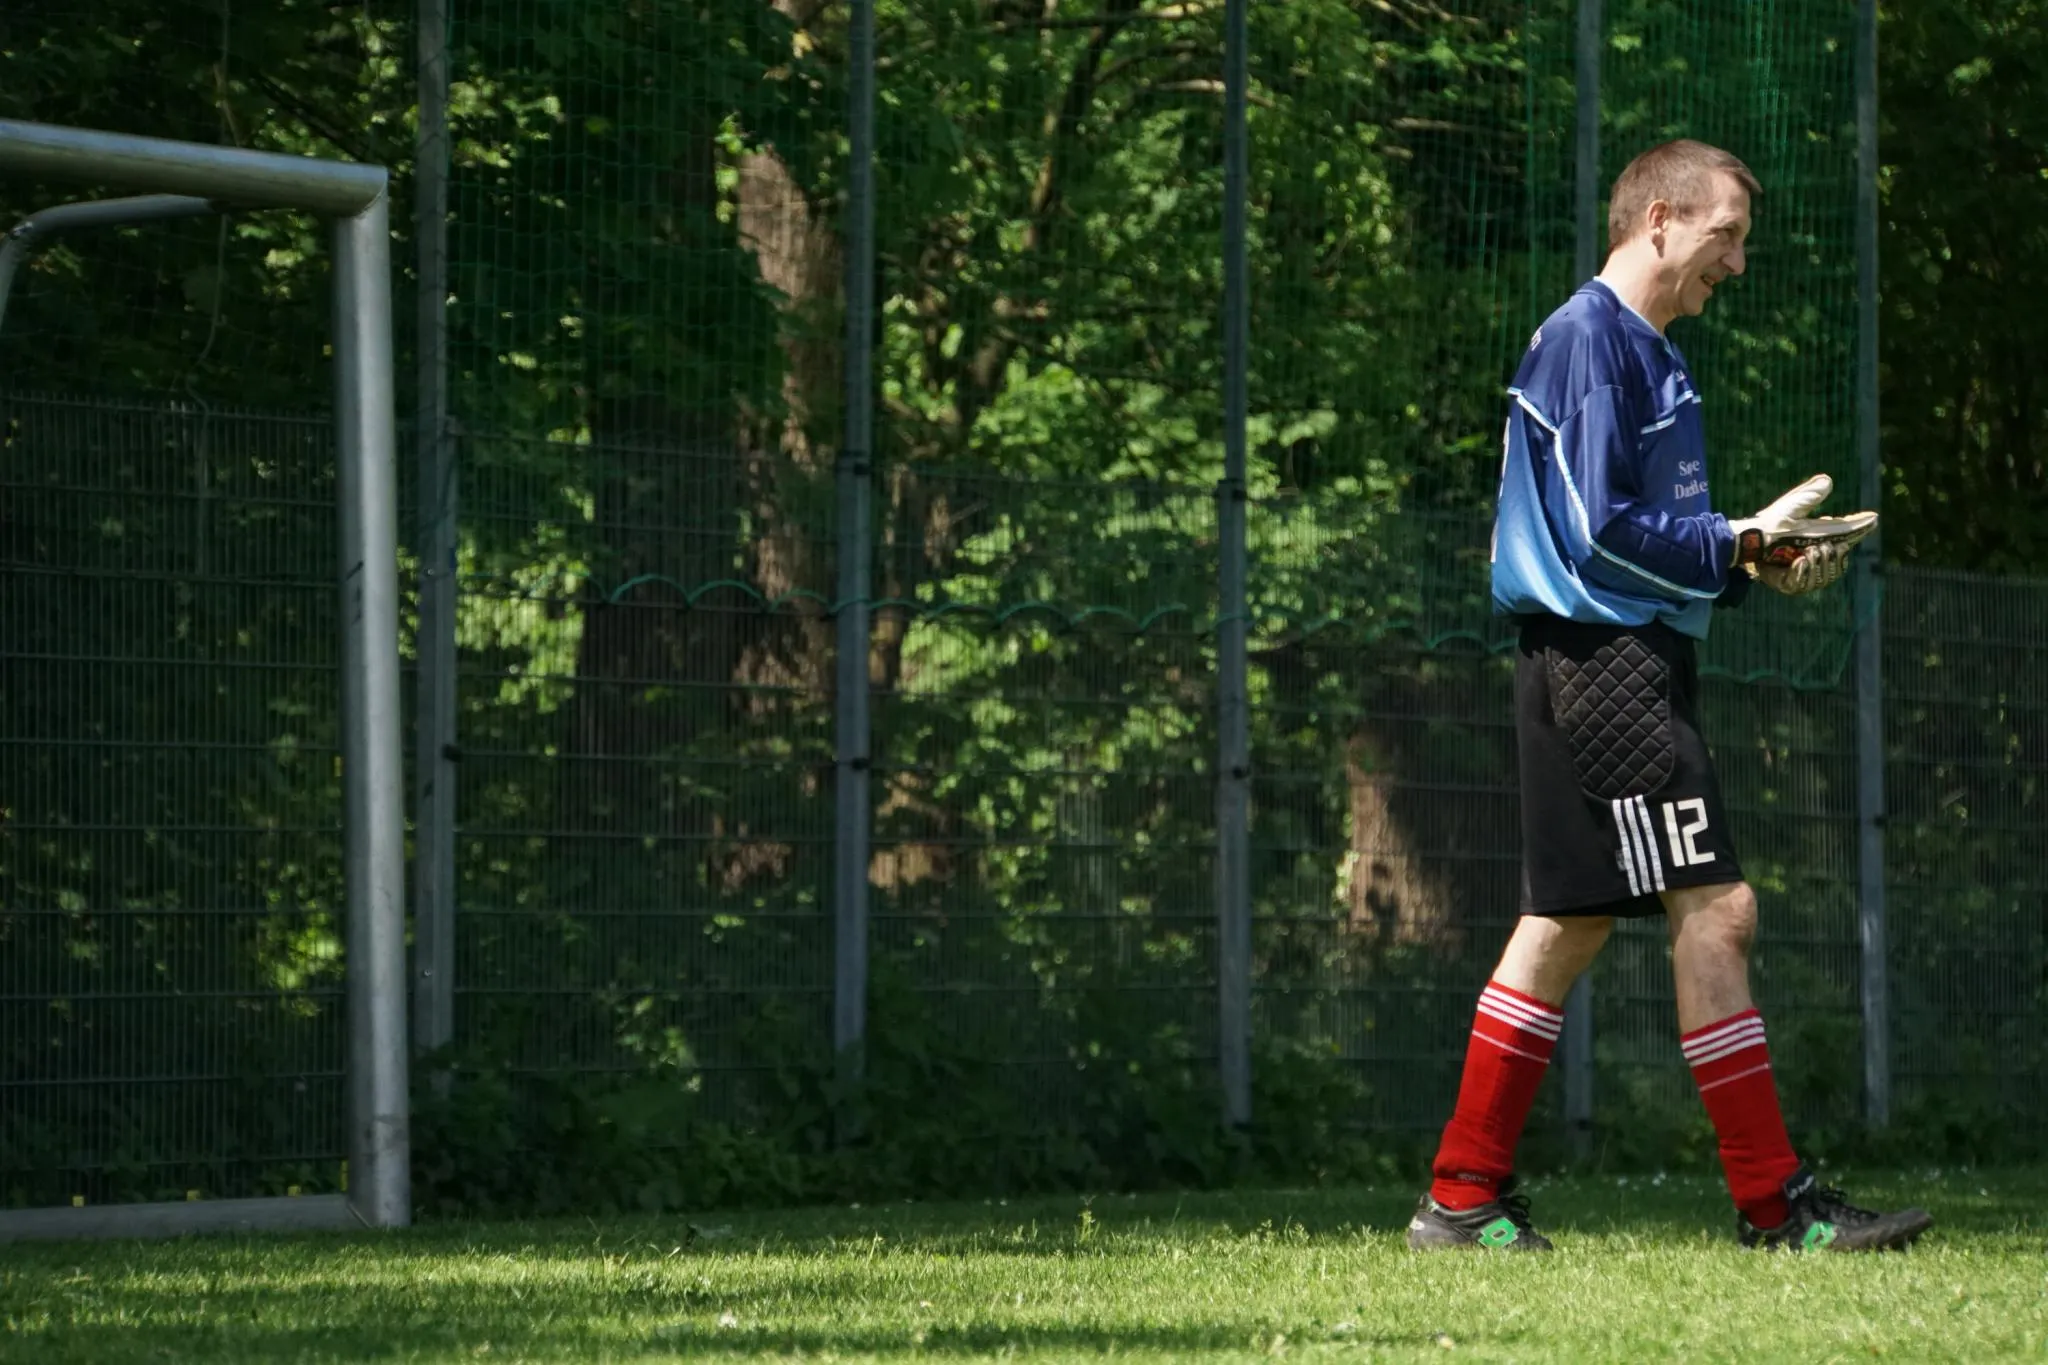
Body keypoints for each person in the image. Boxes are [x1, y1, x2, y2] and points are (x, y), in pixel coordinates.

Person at [1404, 139, 1929, 1254]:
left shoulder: (1645, 351)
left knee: (1564, 923)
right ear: (1656, 220)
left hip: (1601, 657)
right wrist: (1732, 543)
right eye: (1723, 236)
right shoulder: (1592, 342)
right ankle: (1775, 1207)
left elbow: (1642, 534)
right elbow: (1597, 530)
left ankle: (1460, 1196)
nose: (1735, 263)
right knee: (1716, 910)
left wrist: (1749, 558)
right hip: (1605, 669)